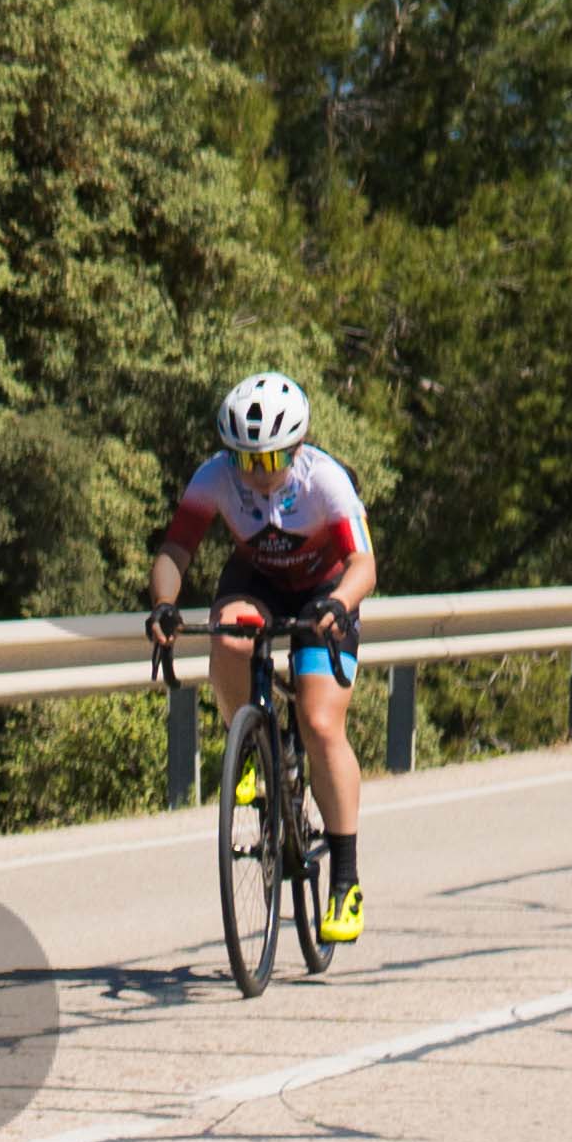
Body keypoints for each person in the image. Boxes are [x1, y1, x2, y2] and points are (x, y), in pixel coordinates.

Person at [150, 368, 378, 942]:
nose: (258, 474)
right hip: (258, 581)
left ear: (296, 449)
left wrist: (340, 604)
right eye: (245, 460)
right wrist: (164, 605)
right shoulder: (214, 478)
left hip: (326, 590)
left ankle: (345, 880)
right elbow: (176, 548)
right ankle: (251, 743)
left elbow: (363, 566)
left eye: (271, 460)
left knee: (321, 721)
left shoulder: (325, 480)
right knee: (227, 633)